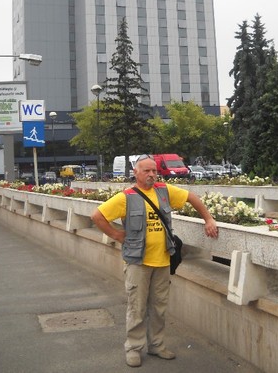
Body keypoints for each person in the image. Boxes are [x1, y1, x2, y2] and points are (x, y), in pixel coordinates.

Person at [91, 154, 219, 368]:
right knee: (137, 307)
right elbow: (97, 215)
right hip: (138, 263)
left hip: (162, 261)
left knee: (159, 307)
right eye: (146, 171)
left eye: (154, 171)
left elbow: (191, 197)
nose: (151, 174)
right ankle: (133, 348)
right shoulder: (127, 197)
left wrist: (208, 218)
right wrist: (115, 234)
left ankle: (157, 345)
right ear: (136, 173)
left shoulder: (164, 191)